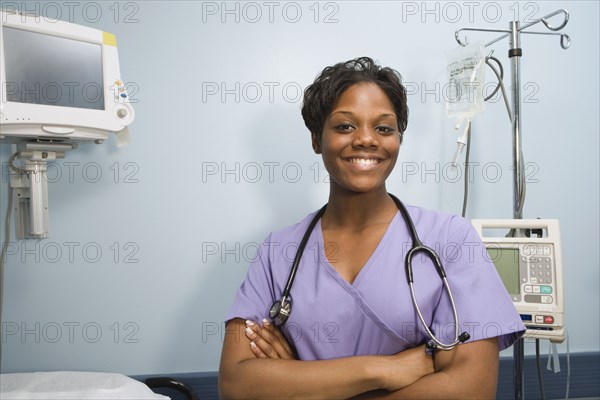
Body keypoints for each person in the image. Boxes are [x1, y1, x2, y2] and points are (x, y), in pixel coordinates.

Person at [219, 56, 525, 399]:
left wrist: (302, 381)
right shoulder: (279, 252)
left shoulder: (450, 239)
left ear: (398, 140)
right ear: (316, 140)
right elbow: (236, 385)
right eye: (345, 126)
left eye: (383, 128)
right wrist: (386, 369)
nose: (366, 139)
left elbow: (472, 389)